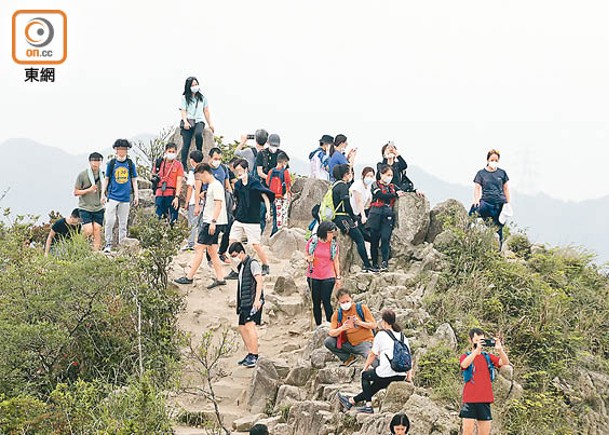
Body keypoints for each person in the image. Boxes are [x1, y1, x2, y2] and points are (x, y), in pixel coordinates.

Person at [337, 309, 412, 414]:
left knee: (365, 376)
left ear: (384, 322)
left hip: (387, 372)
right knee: (376, 385)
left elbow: (372, 354)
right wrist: (408, 378)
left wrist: (365, 368)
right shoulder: (403, 337)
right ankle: (351, 401)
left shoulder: (381, 335)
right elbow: (409, 357)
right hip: (401, 374)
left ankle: (368, 406)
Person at [175, 163, 228, 289]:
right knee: (212, 250)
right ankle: (220, 278)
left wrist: (213, 222)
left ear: (204, 173)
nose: (200, 180)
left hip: (211, 222)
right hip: (212, 221)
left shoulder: (216, 186)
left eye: (200, 177)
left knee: (199, 248)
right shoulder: (212, 186)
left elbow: (218, 205)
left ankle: (189, 277)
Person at [227, 159, 273, 277]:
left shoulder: (254, 183)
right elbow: (236, 198)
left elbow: (265, 196)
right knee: (232, 241)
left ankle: (265, 265)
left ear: (246, 169)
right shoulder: (238, 184)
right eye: (237, 171)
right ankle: (236, 269)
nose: (238, 173)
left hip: (252, 220)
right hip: (239, 218)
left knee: (255, 244)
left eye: (240, 170)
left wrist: (268, 211)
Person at [459, 328, 510, 435]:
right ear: (471, 340)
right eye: (476, 340)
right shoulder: (466, 356)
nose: (479, 342)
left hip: (484, 399)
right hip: (470, 399)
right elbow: (464, 364)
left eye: (481, 340)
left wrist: (500, 350)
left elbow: (505, 363)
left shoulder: (487, 357)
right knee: (467, 432)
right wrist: (476, 352)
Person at [332, 164, 377, 273]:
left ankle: (367, 264)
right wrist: (354, 217)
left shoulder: (335, 185)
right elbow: (346, 203)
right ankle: (367, 265)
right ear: (346, 175)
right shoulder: (343, 186)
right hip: (343, 218)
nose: (351, 175)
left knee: (360, 237)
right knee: (359, 239)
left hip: (339, 216)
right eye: (350, 173)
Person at [230, 242, 264, 368]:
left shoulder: (252, 263)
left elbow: (259, 281)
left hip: (251, 301)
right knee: (242, 327)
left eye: (235, 255)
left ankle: (255, 355)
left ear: (242, 253)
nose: (234, 258)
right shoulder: (242, 266)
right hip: (244, 302)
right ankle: (250, 353)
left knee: (250, 327)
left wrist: (257, 300)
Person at [102, 139, 139, 253]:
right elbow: (106, 179)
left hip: (125, 197)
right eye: (120, 149)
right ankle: (108, 243)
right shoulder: (112, 163)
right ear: (116, 150)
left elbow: (134, 180)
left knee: (123, 222)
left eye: (124, 149)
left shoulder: (130, 164)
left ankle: (122, 244)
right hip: (112, 196)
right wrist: (103, 193)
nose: (122, 151)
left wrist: (136, 195)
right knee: (109, 221)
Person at [368, 165, 406, 272]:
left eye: (391, 175)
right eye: (387, 175)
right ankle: (374, 264)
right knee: (374, 240)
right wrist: (394, 195)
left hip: (388, 214)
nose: (389, 177)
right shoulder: (375, 184)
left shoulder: (393, 186)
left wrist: (416, 190)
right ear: (381, 174)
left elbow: (404, 191)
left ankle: (385, 262)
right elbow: (380, 195)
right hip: (375, 213)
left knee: (385, 238)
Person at [324, 288, 376, 367]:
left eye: (347, 301)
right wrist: (342, 328)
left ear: (351, 299)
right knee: (328, 342)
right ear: (339, 302)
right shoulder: (337, 314)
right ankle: (347, 358)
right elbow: (331, 332)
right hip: (349, 343)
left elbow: (374, 325)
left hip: (364, 342)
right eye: (343, 302)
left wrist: (360, 323)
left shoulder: (361, 308)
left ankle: (382, 372)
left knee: (370, 357)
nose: (345, 303)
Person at [470, 149, 511, 245]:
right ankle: (467, 236)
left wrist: (508, 203)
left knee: (498, 227)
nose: (494, 162)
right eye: (492, 160)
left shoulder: (502, 173)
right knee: (472, 214)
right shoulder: (481, 173)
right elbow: (477, 188)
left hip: (499, 204)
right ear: (488, 160)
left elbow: (506, 188)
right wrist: (476, 200)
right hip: (486, 202)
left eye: (496, 160)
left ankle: (498, 250)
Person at [305, 221, 341, 326]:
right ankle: (318, 325)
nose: (333, 235)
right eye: (331, 233)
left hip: (328, 276)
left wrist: (338, 277)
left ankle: (331, 324)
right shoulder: (313, 241)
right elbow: (307, 254)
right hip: (314, 275)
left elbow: (336, 260)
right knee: (316, 302)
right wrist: (308, 259)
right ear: (325, 232)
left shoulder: (333, 244)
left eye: (334, 233)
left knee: (326, 300)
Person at [179, 76, 214, 170]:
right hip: (189, 121)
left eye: (196, 84)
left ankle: (199, 154)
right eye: (192, 85)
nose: (195, 86)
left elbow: (206, 111)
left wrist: (210, 124)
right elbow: (183, 111)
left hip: (199, 121)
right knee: (186, 143)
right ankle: (184, 164)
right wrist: (185, 121)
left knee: (199, 134)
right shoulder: (184, 98)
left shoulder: (202, 98)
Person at [74, 152, 105, 250]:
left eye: (98, 161)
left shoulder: (103, 176)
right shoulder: (82, 175)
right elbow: (76, 192)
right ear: (89, 162)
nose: (95, 163)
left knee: (97, 229)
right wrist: (89, 190)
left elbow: (106, 190)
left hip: (98, 207)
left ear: (101, 162)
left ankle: (96, 252)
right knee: (88, 230)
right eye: (93, 160)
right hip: (85, 207)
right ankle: (78, 246)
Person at [255, 133, 286, 233]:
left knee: (277, 212)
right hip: (264, 186)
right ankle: (260, 233)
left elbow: (285, 171)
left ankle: (275, 233)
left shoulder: (281, 154)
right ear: (268, 143)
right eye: (273, 145)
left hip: (278, 189)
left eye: (276, 146)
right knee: (262, 210)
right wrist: (270, 178)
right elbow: (259, 172)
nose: (274, 148)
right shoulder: (262, 154)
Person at [153, 143, 184, 224]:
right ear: (165, 151)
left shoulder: (178, 165)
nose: (171, 153)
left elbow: (179, 181)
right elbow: (153, 175)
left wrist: (177, 197)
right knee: (158, 219)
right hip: (160, 193)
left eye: (173, 151)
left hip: (172, 195)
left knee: (173, 220)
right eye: (169, 151)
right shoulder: (159, 162)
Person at [181, 150, 205, 251]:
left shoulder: (193, 172)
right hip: (203, 201)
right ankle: (201, 242)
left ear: (192, 160)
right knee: (201, 223)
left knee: (192, 223)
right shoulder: (205, 170)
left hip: (193, 201)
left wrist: (186, 202)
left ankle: (191, 243)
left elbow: (190, 187)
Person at [267, 152, 292, 236]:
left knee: (276, 214)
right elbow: (288, 183)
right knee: (283, 214)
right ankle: (281, 231)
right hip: (283, 196)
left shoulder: (271, 171)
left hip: (274, 196)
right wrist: (288, 193)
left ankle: (275, 231)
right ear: (284, 161)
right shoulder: (285, 172)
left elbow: (267, 182)